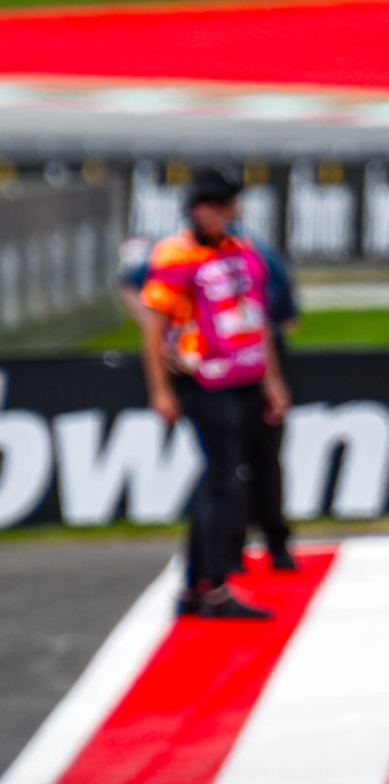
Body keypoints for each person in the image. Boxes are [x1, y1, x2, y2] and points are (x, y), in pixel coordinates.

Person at [138, 165, 291, 618]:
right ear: (195, 209)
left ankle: (195, 587)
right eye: (213, 206)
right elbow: (153, 328)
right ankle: (213, 585)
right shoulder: (173, 255)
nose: (221, 213)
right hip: (200, 378)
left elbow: (258, 318)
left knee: (223, 478)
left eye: (227, 205)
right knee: (223, 480)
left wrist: (273, 380)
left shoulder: (242, 251)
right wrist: (160, 391)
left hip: (243, 374)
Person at [122, 219, 299, 573]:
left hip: (246, 366)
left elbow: (273, 318)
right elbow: (142, 295)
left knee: (251, 463)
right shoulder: (177, 255)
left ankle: (264, 545)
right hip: (208, 370)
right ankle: (221, 562)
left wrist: (270, 379)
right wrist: (163, 342)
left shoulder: (253, 255)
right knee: (225, 470)